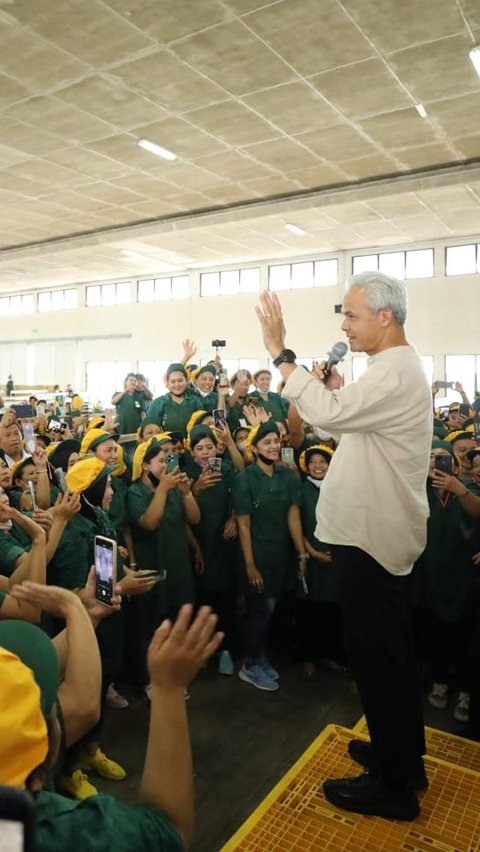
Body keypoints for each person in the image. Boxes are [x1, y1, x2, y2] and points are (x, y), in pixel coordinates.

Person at [256, 271, 432, 821]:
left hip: (372, 541)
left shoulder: (397, 371)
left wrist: (281, 354)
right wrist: (330, 397)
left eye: (352, 315)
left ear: (385, 317)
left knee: (379, 660)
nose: (344, 325)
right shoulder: (389, 370)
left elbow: (329, 417)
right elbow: (345, 425)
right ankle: (400, 753)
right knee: (388, 655)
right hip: (373, 536)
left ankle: (394, 786)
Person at [0, 604, 223, 850]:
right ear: (37, 775)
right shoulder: (73, 837)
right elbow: (168, 830)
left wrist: (81, 613)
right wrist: (169, 689)